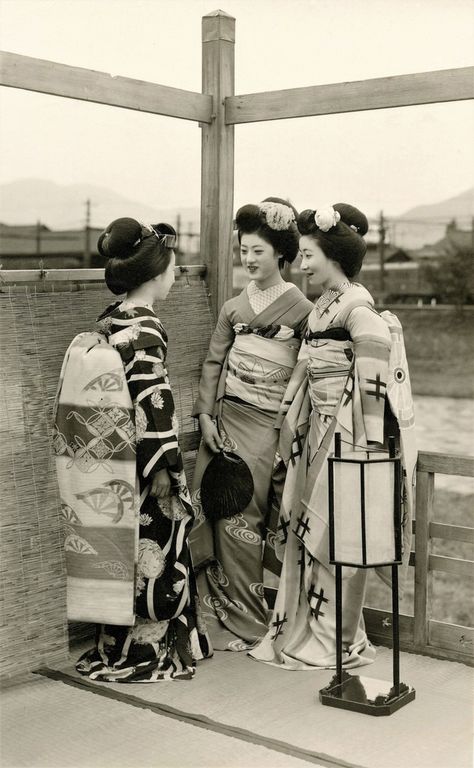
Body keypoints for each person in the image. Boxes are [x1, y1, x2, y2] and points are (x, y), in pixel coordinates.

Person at [249, 203, 415, 670]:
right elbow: (307, 364)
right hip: (317, 429)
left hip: (347, 435)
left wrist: (368, 437)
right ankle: (305, 627)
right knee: (309, 531)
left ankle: (339, 637)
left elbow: (374, 363)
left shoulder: (358, 307)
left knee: (340, 531)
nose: (301, 265)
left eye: (308, 255)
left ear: (333, 257)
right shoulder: (325, 305)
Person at [55, 217, 210, 682]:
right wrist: (164, 462)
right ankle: (146, 647)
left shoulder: (112, 318)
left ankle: (113, 642)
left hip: (111, 457)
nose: (175, 276)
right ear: (156, 273)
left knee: (120, 547)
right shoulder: (144, 329)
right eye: (173, 270)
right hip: (144, 461)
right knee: (154, 548)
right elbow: (152, 399)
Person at [190, 198, 314, 651]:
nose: (248, 258)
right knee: (214, 509)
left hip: (269, 425)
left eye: (258, 250)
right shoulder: (232, 307)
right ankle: (214, 615)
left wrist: (289, 430)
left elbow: (306, 375)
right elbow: (212, 362)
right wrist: (205, 415)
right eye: (243, 249)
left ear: (281, 253)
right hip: (226, 420)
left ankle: (253, 620)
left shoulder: (302, 309)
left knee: (249, 517)